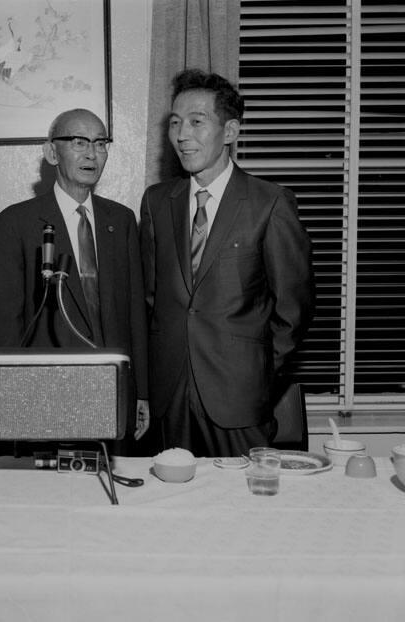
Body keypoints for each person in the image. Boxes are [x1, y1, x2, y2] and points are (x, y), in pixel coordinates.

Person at [138, 69, 315, 457]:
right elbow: (150, 301)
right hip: (169, 397)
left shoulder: (269, 203)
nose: (182, 135)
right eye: (175, 123)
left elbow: (293, 311)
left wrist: (257, 378)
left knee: (243, 512)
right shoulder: (156, 202)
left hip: (239, 400)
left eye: (197, 122)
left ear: (230, 131)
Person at [0, 108, 150, 454]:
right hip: (48, 395)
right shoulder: (15, 223)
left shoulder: (121, 220)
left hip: (114, 391)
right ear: (51, 152)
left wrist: (142, 391)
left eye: (101, 143)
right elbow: (6, 322)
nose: (92, 153)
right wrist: (12, 400)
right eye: (78, 142)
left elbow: (135, 311)